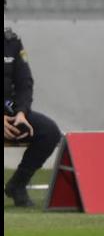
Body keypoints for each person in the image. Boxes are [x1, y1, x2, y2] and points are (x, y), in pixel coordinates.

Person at [4, 24, 63, 208]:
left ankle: (18, 184)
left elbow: (25, 82)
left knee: (49, 131)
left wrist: (21, 113)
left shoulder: (12, 42)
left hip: (11, 111)